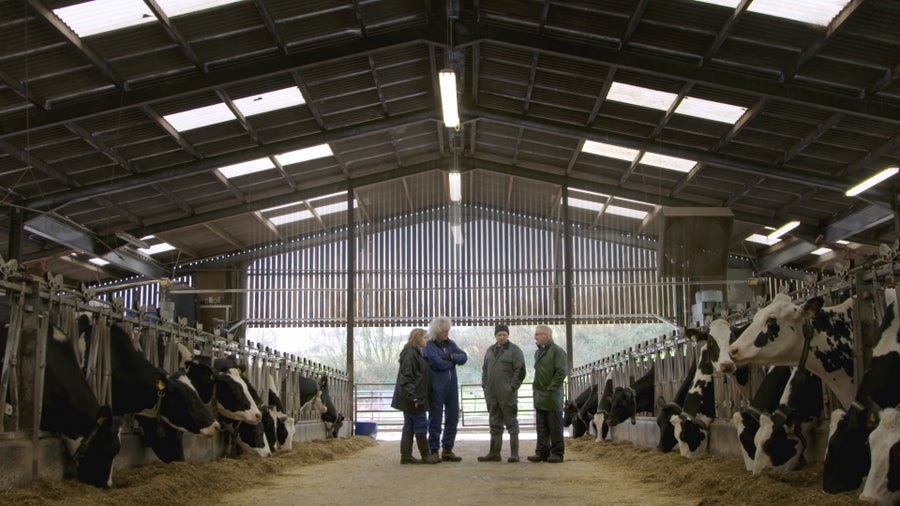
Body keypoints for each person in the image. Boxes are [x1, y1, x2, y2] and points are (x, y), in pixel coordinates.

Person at [390, 328, 440, 464]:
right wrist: (414, 397)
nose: (427, 340)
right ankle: (426, 455)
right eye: (424, 338)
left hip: (413, 396)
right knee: (420, 424)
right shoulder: (410, 354)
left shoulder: (416, 353)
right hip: (414, 397)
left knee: (409, 425)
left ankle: (406, 455)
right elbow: (407, 377)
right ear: (417, 338)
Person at [478, 323, 526, 463]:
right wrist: (485, 385)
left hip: (507, 394)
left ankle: (514, 454)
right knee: (494, 422)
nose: (502, 337)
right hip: (491, 393)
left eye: (504, 335)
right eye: (499, 335)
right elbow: (484, 369)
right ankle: (494, 453)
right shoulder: (490, 350)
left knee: (511, 422)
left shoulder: (515, 350)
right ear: (495, 336)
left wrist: (512, 387)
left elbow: (520, 370)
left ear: (508, 335)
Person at [423, 316, 468, 462]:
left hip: (451, 388)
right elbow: (437, 364)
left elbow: (464, 357)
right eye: (443, 331)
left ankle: (448, 449)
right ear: (437, 331)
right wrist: (452, 362)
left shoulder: (451, 344)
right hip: (436, 388)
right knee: (435, 419)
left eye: (447, 331)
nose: (446, 333)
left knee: (453, 417)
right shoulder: (429, 346)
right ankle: (434, 449)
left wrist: (450, 357)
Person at [527, 324, 568, 463]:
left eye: (538, 334)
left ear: (547, 335)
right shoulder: (538, 352)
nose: (535, 336)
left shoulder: (557, 351)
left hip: (552, 396)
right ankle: (542, 452)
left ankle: (557, 452)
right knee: (541, 426)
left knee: (554, 426)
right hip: (540, 395)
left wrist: (551, 388)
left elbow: (561, 372)